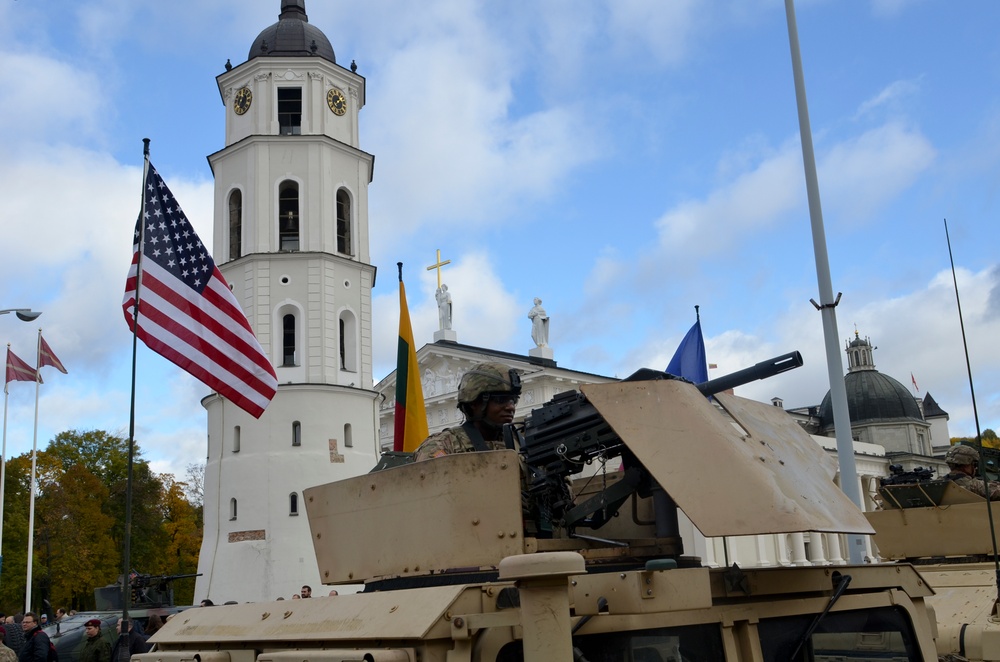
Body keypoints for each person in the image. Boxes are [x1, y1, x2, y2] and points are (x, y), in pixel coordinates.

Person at [413, 362, 521, 461]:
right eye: (500, 400)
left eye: (513, 400)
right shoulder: (442, 446)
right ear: (474, 403)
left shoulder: (520, 442)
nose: (510, 407)